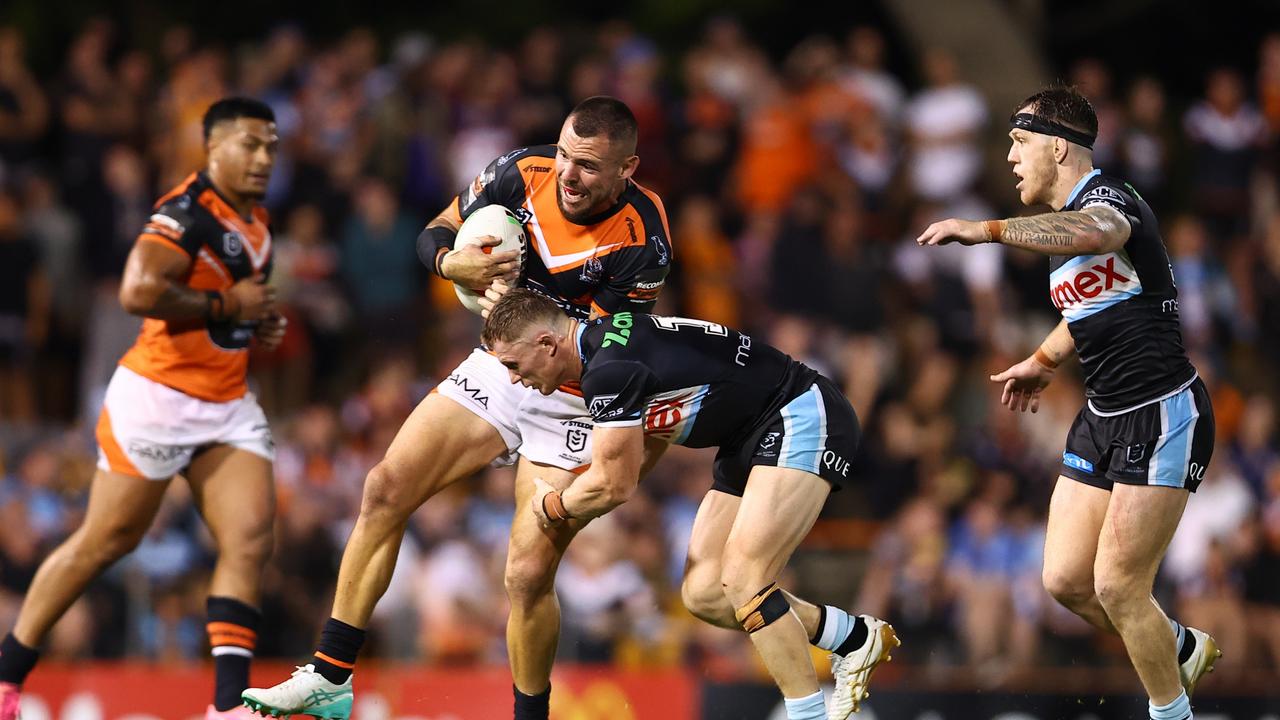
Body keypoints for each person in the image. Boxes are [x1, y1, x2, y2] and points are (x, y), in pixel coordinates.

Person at [242, 96, 672, 720]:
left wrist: (518, 300)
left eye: (588, 167)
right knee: (385, 487)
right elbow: (436, 232)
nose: (568, 176)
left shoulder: (644, 238)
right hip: (503, 369)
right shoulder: (521, 172)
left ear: (627, 169)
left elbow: (603, 347)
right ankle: (330, 674)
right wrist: (453, 264)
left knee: (526, 573)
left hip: (575, 396)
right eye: (564, 156)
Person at [915, 85, 1221, 720]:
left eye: (1020, 142)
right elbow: (1092, 299)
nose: (1009, 157)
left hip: (1161, 412)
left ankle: (1174, 713)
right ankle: (1181, 647)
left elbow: (1099, 233)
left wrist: (987, 231)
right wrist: (1044, 360)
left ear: (1060, 146)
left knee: (1118, 585)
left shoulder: (1108, 201)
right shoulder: (1069, 233)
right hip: (1102, 416)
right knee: (1065, 582)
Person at [482, 288, 899, 720]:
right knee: (704, 594)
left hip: (798, 412)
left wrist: (554, 507)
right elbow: (636, 456)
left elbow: (615, 484)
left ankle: (809, 715)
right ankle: (851, 637)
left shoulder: (607, 371)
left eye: (513, 365)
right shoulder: (605, 349)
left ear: (547, 344)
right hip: (749, 433)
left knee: (744, 579)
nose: (514, 379)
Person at [0, 97, 284, 720]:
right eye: (249, 144)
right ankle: (7, 675)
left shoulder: (256, 217)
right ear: (211, 148)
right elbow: (138, 290)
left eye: (270, 146)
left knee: (249, 539)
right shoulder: (184, 214)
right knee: (104, 542)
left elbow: (233, 302)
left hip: (227, 402)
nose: (262, 158)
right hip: (158, 399)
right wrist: (225, 309)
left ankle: (228, 707)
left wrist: (254, 323)